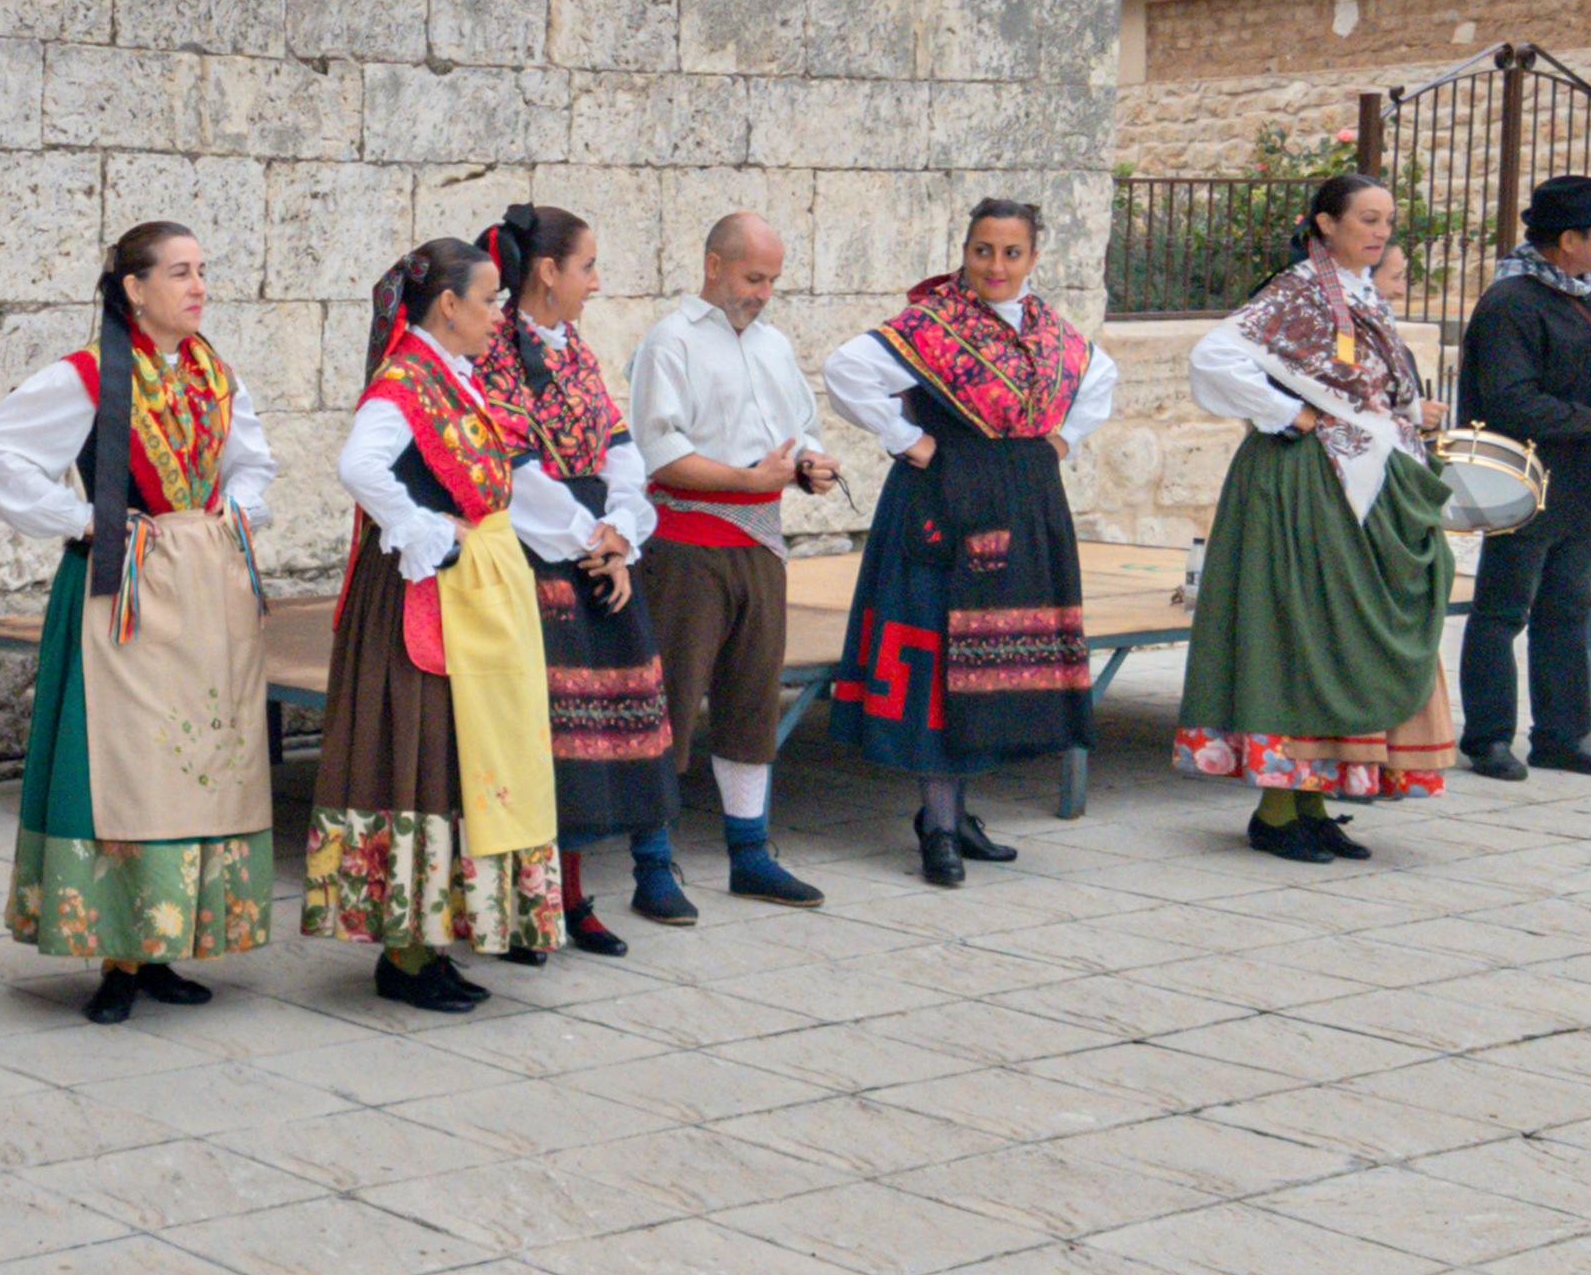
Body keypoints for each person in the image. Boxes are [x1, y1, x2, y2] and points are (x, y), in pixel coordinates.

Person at [0, 223, 279, 1022]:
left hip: (204, 584)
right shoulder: (89, 375)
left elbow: (251, 461)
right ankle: (117, 951)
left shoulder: (214, 374)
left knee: (195, 757)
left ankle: (166, 938)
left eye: (202, 271)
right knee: (128, 763)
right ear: (134, 289)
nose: (198, 286)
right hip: (125, 587)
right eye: (180, 272)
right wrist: (81, 518)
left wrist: (230, 516)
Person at [309, 238, 599, 1011]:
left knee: (451, 762)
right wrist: (422, 531)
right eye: (488, 299)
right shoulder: (404, 382)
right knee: (420, 761)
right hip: (419, 593)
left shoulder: (451, 379)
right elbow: (359, 465)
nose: (497, 313)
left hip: (460, 594)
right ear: (447, 304)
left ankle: (429, 939)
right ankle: (405, 953)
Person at [821, 199, 1121, 886]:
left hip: (1021, 499)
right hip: (942, 500)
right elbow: (845, 370)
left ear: (1032, 259)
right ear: (964, 250)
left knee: (991, 656)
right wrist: (909, 439)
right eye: (982, 250)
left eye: (1010, 252)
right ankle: (936, 820)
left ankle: (957, 815)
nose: (995, 265)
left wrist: (1059, 441)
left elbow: (1099, 379)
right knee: (937, 656)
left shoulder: (1051, 333)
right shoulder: (932, 323)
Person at [1176, 173, 1460, 860]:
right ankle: (1276, 808)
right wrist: (1289, 412)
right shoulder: (1299, 292)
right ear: (1324, 223)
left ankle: (1308, 800)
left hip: (1352, 482)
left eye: (1386, 220)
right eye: (1366, 218)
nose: (1379, 231)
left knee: (1334, 633)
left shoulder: (1359, 295)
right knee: (1298, 631)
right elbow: (1213, 356)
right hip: (1301, 483)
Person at [622, 214, 841, 917]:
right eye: (753, 277)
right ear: (713, 264)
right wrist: (747, 481)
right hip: (685, 548)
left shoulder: (773, 346)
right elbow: (657, 451)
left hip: (759, 546)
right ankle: (651, 864)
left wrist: (809, 464)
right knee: (671, 702)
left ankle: (749, 853)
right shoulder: (671, 341)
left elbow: (795, 427)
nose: (764, 293)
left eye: (772, 279)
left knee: (752, 700)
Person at [464, 206, 662, 961]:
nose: (595, 280)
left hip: (594, 553)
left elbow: (617, 446)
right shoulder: (495, 356)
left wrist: (621, 531)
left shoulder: (572, 348)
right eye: (586, 265)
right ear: (546, 271)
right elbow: (511, 472)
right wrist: (590, 539)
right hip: (533, 557)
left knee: (587, 742)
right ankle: (526, 903)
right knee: (535, 737)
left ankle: (572, 894)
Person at [1458, 174, 1591, 783]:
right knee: (1502, 611)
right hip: (1525, 482)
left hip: (1582, 479)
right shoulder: (1511, 303)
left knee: (1568, 608)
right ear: (1568, 239)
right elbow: (1512, 402)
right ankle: (1488, 737)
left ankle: (1563, 736)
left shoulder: (1579, 291)